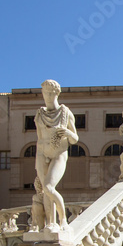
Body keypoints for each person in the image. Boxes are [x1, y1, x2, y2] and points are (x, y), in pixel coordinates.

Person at [34, 79, 78, 232]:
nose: (46, 96)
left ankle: (63, 220)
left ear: (56, 94)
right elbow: (40, 137)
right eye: (44, 92)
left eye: (49, 93)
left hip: (59, 153)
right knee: (45, 191)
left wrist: (67, 132)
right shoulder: (39, 114)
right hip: (41, 153)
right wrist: (41, 152)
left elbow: (75, 139)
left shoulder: (66, 113)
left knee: (48, 187)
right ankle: (50, 224)